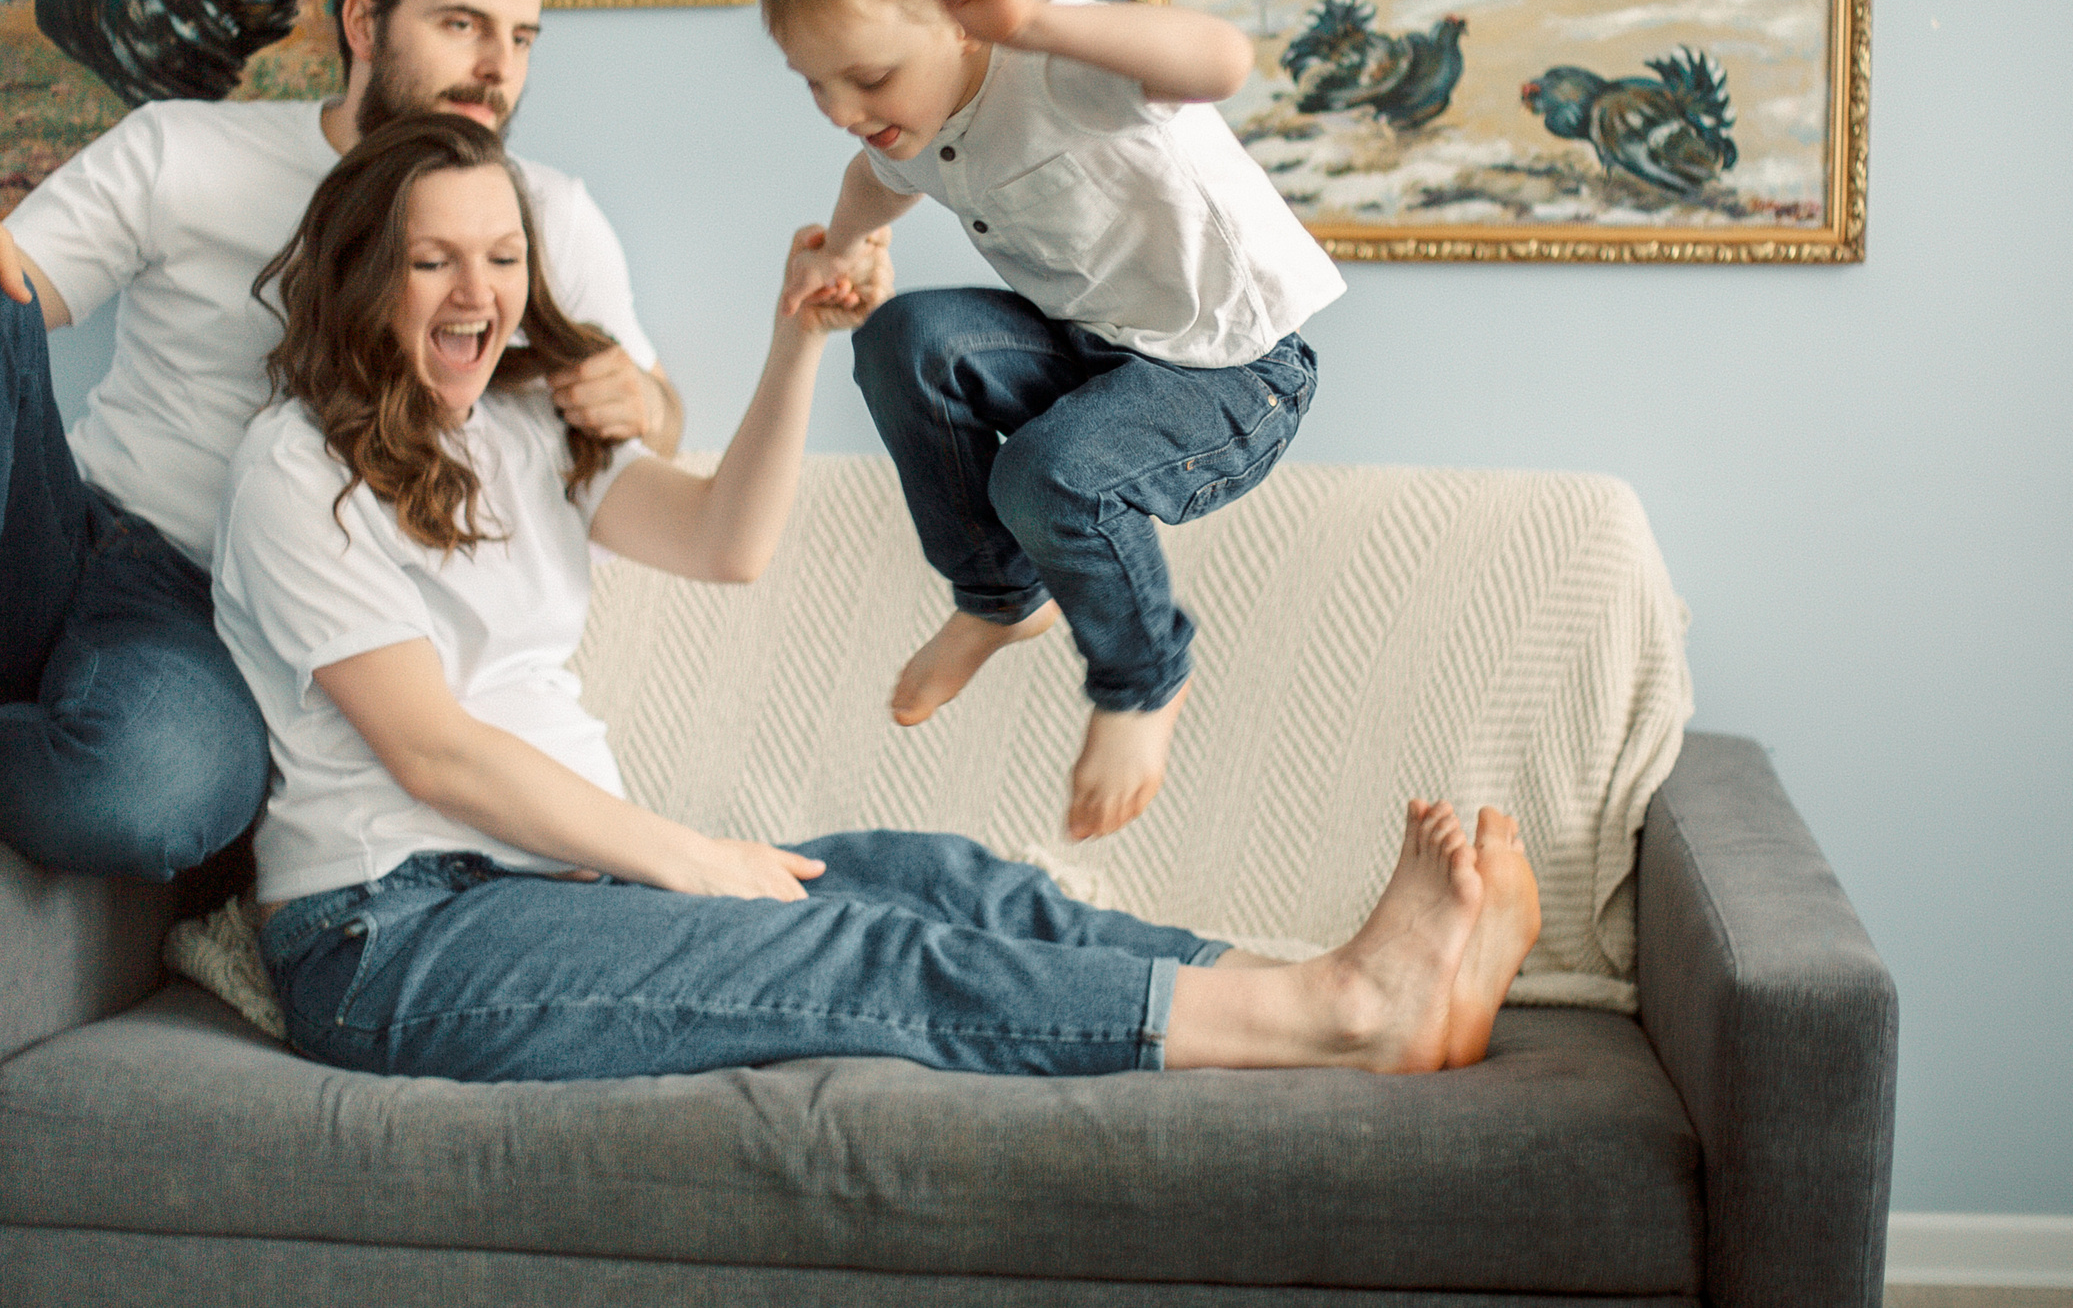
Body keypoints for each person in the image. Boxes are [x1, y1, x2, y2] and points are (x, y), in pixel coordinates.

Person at [221, 111, 1541, 1082]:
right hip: (395, 927)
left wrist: (801, 334)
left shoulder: (513, 422)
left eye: (503, 257)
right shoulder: (294, 465)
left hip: (574, 876)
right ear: (359, 274)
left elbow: (725, 537)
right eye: (434, 262)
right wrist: (689, 853)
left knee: (935, 876)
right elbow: (432, 746)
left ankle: (1339, 983)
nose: (481, 295)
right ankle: (1350, 1014)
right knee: (858, 950)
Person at [0, 0, 684, 937]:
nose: (498, 69)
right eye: (462, 27)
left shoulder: (536, 216)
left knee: (158, 799)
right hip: (62, 539)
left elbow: (652, 427)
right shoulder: (182, 148)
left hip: (199, 616)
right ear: (362, 25)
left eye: (522, 38)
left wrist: (647, 401)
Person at [764, 0, 1348, 842]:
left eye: (863, 78)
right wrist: (849, 248)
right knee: (904, 339)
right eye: (812, 85)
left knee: (1049, 474)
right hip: (1093, 352)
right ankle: (997, 597)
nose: (842, 113)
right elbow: (876, 185)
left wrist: (1034, 19)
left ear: (961, 21)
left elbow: (1221, 60)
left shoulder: (1058, 64)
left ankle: (1141, 681)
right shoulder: (911, 128)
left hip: (1233, 374)